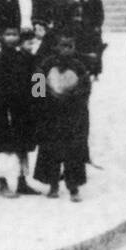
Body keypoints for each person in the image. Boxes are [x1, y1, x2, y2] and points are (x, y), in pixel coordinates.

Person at [33, 31, 91, 201]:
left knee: (73, 152)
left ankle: (73, 187)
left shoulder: (79, 66)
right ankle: (53, 185)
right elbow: (37, 89)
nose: (66, 50)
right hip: (51, 116)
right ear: (55, 47)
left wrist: (72, 96)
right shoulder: (45, 64)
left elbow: (86, 89)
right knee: (51, 151)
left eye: (70, 46)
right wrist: (46, 100)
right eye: (63, 46)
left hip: (72, 117)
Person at [0, 27, 36, 198]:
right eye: (7, 34)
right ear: (1, 37)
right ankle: (3, 183)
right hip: (5, 107)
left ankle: (22, 181)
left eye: (14, 34)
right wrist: (9, 96)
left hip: (24, 108)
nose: (11, 38)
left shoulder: (26, 57)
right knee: (5, 146)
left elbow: (37, 77)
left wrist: (39, 99)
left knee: (23, 144)